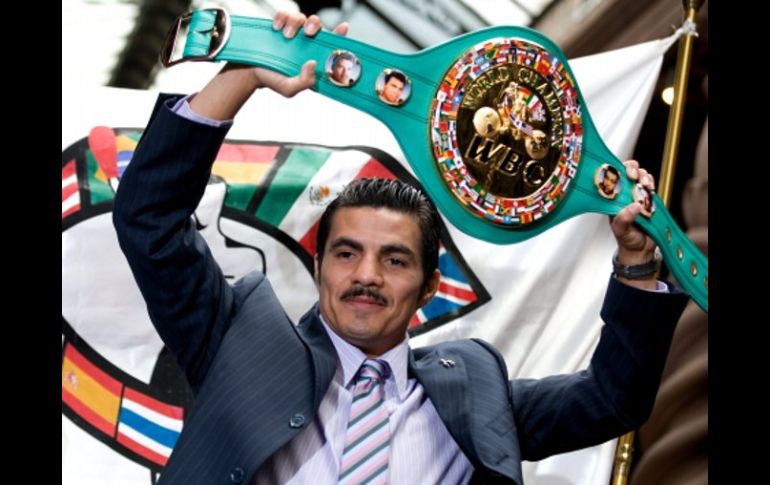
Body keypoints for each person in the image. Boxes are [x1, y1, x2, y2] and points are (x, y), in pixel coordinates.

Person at [112, 11, 689, 485]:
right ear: (317, 266)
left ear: (430, 286)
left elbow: (613, 398)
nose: (367, 275)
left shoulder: (473, 389)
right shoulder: (238, 340)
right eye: (346, 253)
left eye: (395, 259)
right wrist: (245, 76)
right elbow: (149, 219)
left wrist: (638, 260)